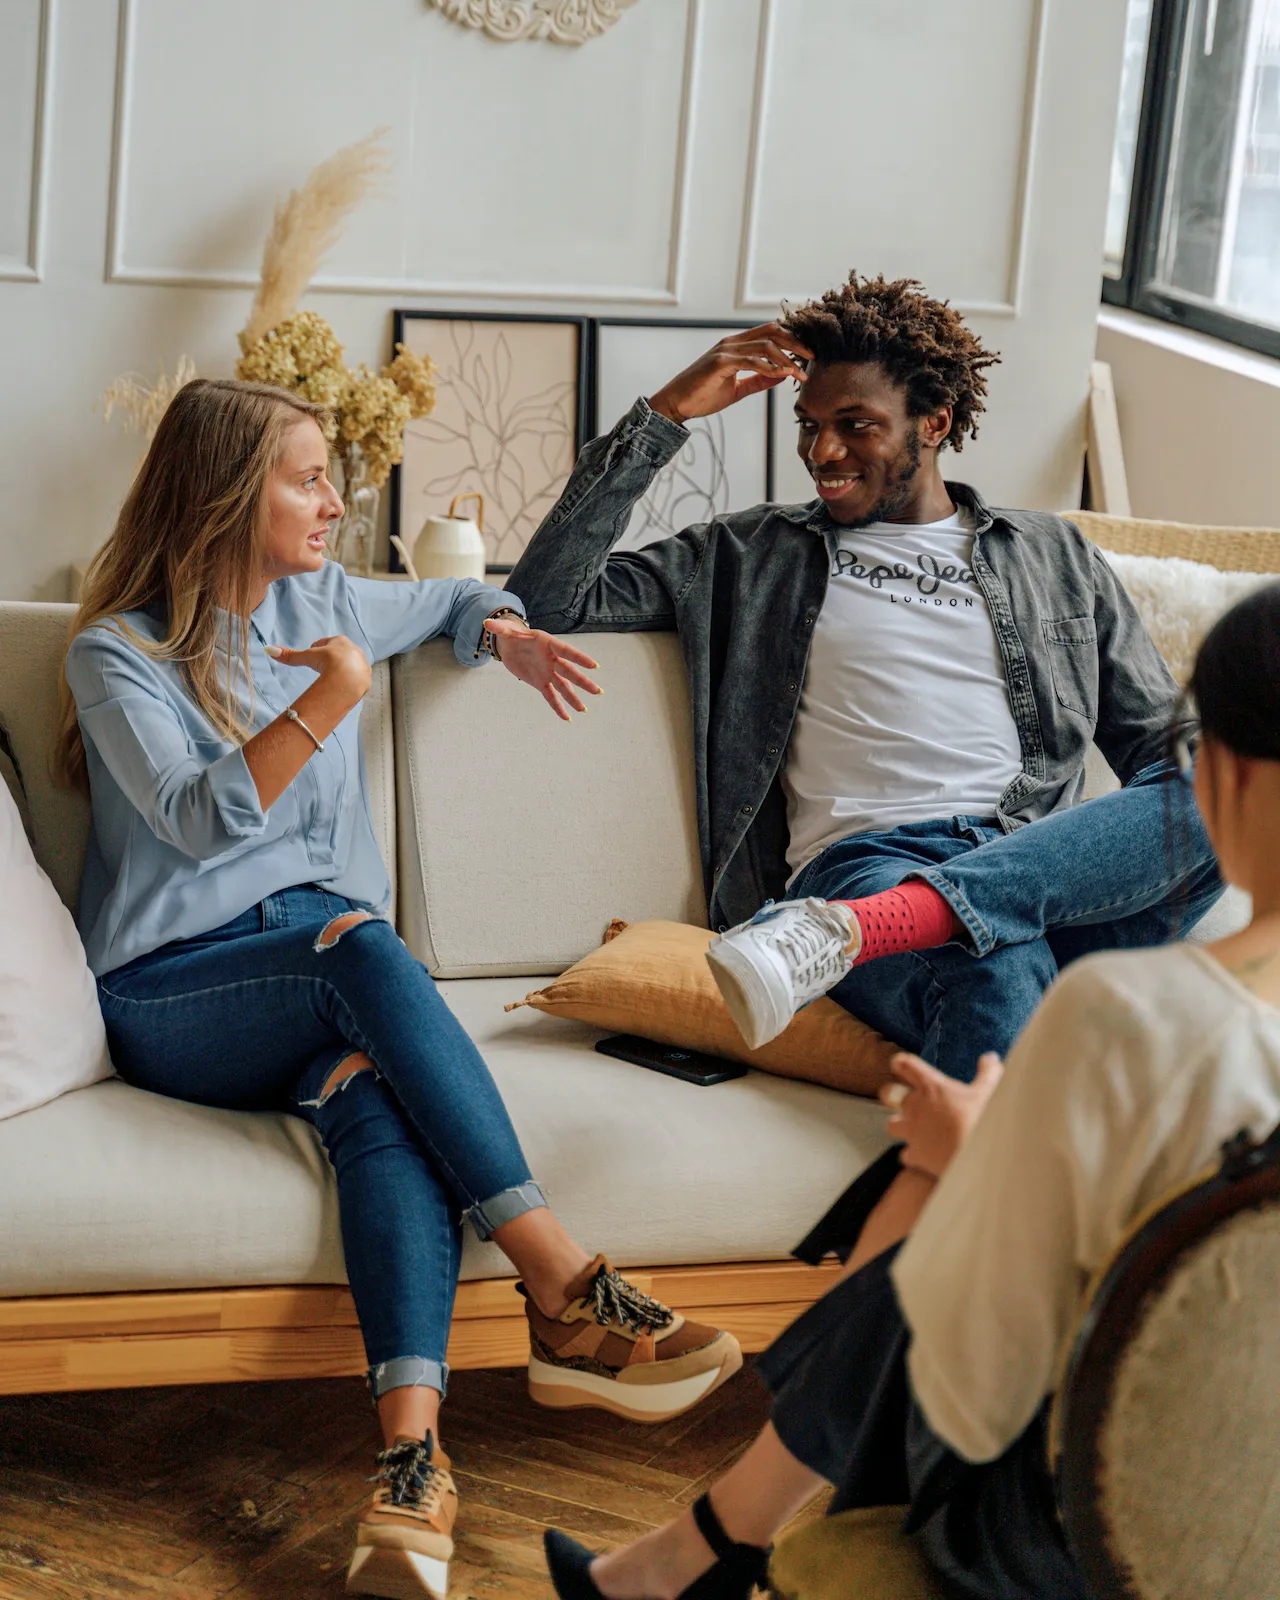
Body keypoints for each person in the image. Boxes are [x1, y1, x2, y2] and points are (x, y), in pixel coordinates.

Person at [56, 378, 742, 1600]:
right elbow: (199, 820)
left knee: (374, 1095)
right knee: (365, 946)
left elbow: (458, 596)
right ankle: (561, 1284)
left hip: (327, 983)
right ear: (229, 497)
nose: (335, 502)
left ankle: (409, 1475)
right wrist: (331, 694)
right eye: (308, 480)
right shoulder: (117, 654)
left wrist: (505, 634)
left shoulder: (330, 599)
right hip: (177, 992)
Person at [542, 582, 1280, 1600]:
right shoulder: (760, 560)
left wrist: (964, 1168)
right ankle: (694, 1555)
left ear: (1224, 774)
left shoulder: (1125, 1015)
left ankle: (700, 1551)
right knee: (987, 1012)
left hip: (1080, 1538)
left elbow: (973, 1395)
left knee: (940, 1202)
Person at [507, 272, 1223, 1087]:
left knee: (1237, 783)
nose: (822, 453)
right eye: (811, 426)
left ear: (935, 422)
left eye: (856, 426)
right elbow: (545, 603)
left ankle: (878, 928)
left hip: (1037, 864)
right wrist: (665, 414)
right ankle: (897, 928)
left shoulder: (1054, 556)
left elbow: (1173, 753)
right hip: (867, 864)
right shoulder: (748, 555)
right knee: (991, 965)